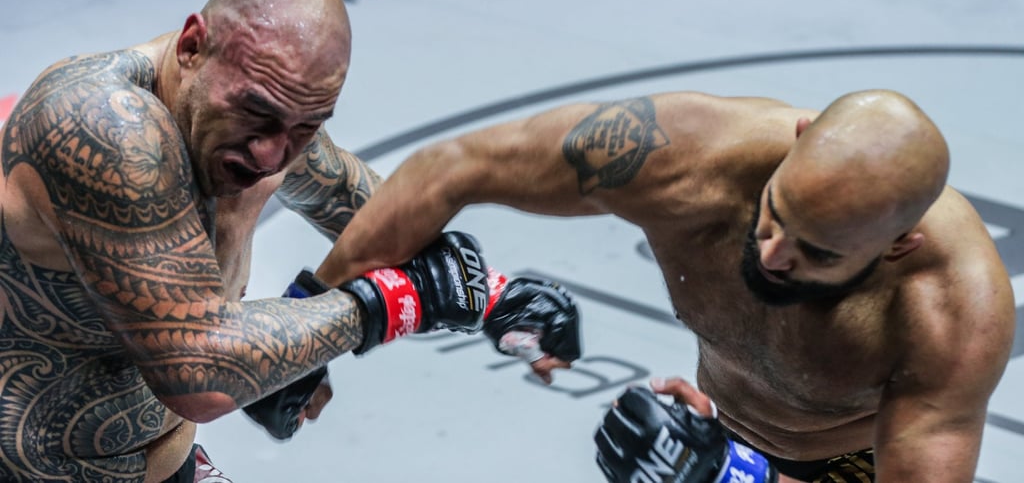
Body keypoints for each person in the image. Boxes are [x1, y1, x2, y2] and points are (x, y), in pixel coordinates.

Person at [0, 0, 580, 482]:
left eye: (305, 126)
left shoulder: (271, 119)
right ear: (193, 47)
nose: (272, 155)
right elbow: (201, 374)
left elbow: (369, 213)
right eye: (257, 113)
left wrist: (493, 295)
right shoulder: (102, 126)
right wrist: (392, 302)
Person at [315, 89, 1016, 482]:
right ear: (800, 137)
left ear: (898, 245)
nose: (773, 253)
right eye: (776, 212)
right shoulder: (686, 154)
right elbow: (452, 166)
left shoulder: (953, 312)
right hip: (722, 422)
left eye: (817, 252)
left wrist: (735, 478)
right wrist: (312, 322)